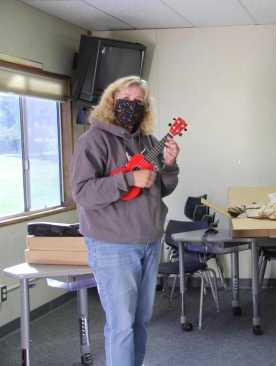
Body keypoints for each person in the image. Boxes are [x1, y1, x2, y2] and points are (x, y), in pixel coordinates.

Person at [71, 75, 180, 366]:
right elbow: (81, 192)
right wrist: (128, 179)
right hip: (113, 246)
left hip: (149, 242)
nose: (131, 106)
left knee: (141, 322)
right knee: (121, 325)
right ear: (111, 101)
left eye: (139, 102)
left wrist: (169, 166)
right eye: (125, 100)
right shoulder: (93, 140)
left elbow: (163, 188)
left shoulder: (149, 142)